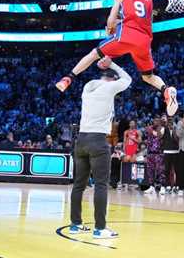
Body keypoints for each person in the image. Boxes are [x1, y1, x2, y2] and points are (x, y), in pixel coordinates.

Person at [55, 0, 178, 116]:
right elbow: (147, 20)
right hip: (144, 40)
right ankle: (166, 89)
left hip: (126, 37)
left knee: (94, 54)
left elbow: (111, 18)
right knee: (148, 76)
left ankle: (67, 78)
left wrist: (110, 27)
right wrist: (122, 22)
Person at [70, 57, 131, 239]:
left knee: (78, 186)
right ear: (112, 79)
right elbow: (127, 79)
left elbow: (99, 82)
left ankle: (75, 225)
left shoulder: (88, 87)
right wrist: (111, 63)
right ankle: (100, 228)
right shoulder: (109, 87)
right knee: (101, 185)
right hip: (98, 140)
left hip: (81, 140)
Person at [161, 115, 180, 194]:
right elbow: (159, 136)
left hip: (175, 151)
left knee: (176, 170)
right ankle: (168, 186)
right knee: (167, 170)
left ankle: (176, 186)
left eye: (171, 120)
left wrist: (174, 130)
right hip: (167, 151)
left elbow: (177, 139)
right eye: (168, 120)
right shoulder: (164, 128)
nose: (170, 121)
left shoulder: (176, 128)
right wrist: (162, 125)